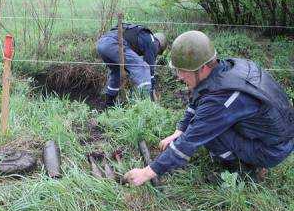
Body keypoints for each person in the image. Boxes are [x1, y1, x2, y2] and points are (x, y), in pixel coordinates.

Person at [124, 30, 294, 185]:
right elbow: (199, 98)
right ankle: (246, 158)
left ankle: (244, 172)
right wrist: (179, 130)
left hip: (272, 149)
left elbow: (191, 139)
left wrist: (147, 172)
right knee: (207, 124)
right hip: (274, 135)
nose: (179, 76)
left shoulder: (223, 98)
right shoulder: (227, 68)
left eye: (183, 71)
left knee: (210, 134)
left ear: (203, 67)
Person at [96, 24, 167, 107]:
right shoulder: (153, 41)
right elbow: (149, 68)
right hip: (114, 43)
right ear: (159, 45)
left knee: (117, 72)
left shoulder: (142, 35)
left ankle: (109, 104)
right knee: (143, 69)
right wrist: (152, 90)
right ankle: (148, 105)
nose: (156, 53)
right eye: (158, 51)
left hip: (102, 44)